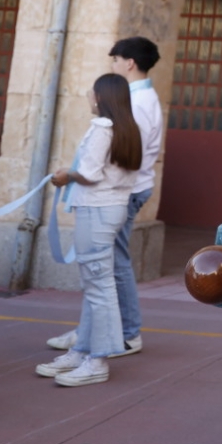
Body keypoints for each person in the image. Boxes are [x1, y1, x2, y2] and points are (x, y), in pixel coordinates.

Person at [46, 36, 162, 359]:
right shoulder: (140, 98)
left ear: (129, 63)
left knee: (111, 268)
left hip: (117, 194)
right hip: (120, 191)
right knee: (104, 268)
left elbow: (120, 157)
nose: (113, 65)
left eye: (115, 60)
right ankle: (92, 333)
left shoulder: (137, 102)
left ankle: (125, 333)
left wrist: (75, 174)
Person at [33, 74, 144, 387]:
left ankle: (97, 360)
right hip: (112, 208)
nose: (88, 96)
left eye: (91, 92)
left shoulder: (102, 128)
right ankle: (82, 351)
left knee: (99, 287)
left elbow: (90, 173)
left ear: (101, 97)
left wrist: (67, 175)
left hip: (96, 210)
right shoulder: (128, 129)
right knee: (97, 286)